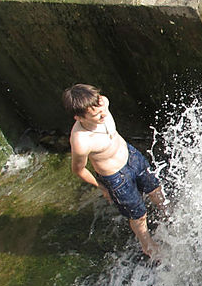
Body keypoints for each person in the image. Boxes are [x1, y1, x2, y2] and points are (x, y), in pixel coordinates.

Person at [63, 84, 165, 259]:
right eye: (96, 115)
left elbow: (102, 106)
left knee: (155, 189)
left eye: (101, 108)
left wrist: (100, 108)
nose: (103, 114)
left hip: (131, 156)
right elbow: (78, 170)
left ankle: (167, 213)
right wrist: (101, 186)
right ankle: (147, 245)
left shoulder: (102, 103)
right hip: (116, 177)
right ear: (79, 117)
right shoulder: (81, 142)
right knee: (139, 215)